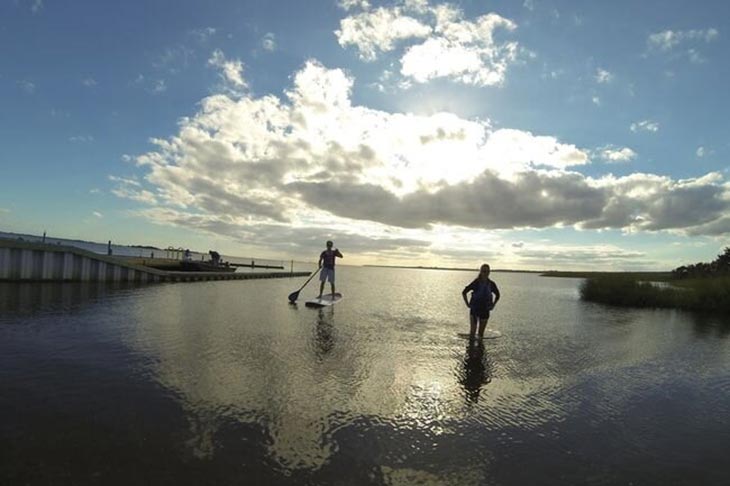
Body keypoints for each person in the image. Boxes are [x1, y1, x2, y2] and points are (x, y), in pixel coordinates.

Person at [462, 264, 500, 339]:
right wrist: (467, 304)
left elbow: (498, 295)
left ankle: (480, 348)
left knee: (481, 334)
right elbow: (464, 292)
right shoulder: (476, 282)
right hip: (475, 309)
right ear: (481, 272)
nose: (485, 273)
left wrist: (493, 305)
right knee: (472, 332)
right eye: (483, 271)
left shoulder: (491, 284)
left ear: (489, 272)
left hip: (485, 310)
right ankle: (471, 349)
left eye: (487, 271)